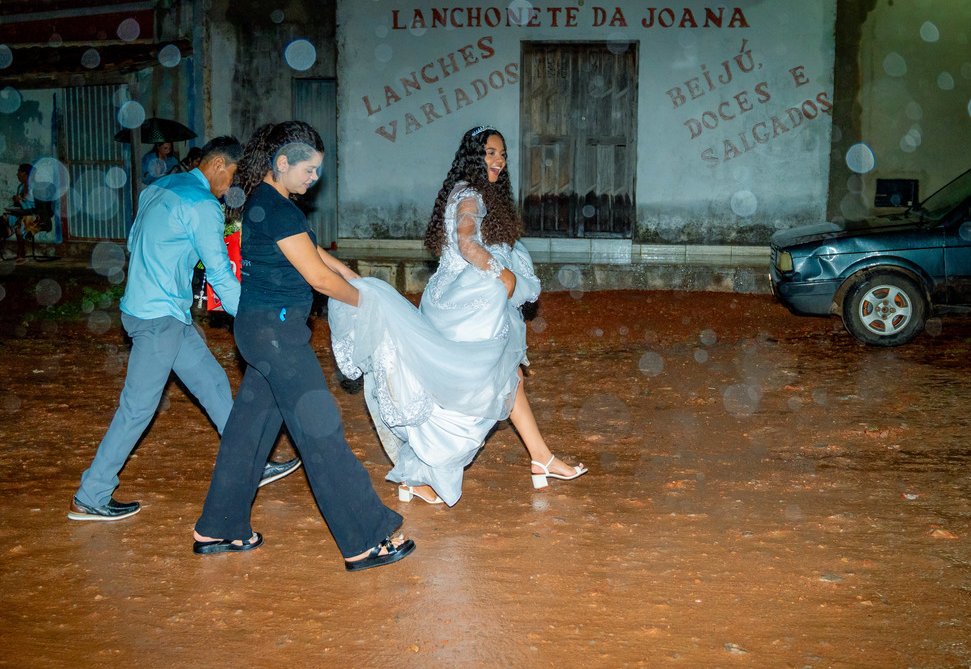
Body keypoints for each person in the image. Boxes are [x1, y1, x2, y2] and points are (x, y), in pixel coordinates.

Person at [193, 120, 415, 572]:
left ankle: (218, 525)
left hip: (257, 334)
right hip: (278, 338)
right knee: (323, 434)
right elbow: (316, 277)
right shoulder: (280, 210)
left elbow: (314, 255)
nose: (314, 179)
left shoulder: (269, 202)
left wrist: (359, 282)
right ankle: (364, 539)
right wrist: (368, 305)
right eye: (309, 170)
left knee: (247, 433)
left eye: (317, 170)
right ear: (282, 163)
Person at [328, 125, 585, 507]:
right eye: (489, 153)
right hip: (466, 307)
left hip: (456, 300)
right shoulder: (471, 196)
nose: (497, 161)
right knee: (468, 398)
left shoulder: (470, 193)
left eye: (502, 155)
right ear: (473, 155)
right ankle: (422, 473)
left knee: (507, 377)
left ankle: (540, 457)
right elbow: (467, 243)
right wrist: (503, 274)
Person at [69, 136, 301, 522]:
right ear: (217, 166)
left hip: (153, 310)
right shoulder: (203, 205)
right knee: (137, 408)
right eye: (232, 178)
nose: (233, 189)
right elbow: (220, 274)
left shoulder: (157, 188)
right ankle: (91, 494)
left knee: (211, 382)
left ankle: (250, 464)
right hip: (160, 318)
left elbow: (135, 241)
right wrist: (255, 314)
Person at [0, 163, 36, 261]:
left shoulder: (35, 188)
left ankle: (21, 253)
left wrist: (19, 201)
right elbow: (20, 205)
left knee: (20, 226)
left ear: (24, 174)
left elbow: (34, 208)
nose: (17, 175)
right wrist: (15, 205)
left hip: (31, 216)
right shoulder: (21, 187)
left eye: (18, 172)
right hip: (20, 214)